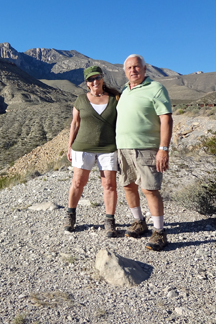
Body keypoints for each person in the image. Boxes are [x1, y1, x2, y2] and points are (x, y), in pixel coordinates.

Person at [116, 54, 173, 251]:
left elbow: (166, 119)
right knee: (128, 186)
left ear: (145, 69)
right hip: (123, 148)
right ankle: (139, 221)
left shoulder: (156, 89)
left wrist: (163, 149)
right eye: (129, 68)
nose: (133, 70)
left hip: (147, 148)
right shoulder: (124, 90)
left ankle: (159, 232)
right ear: (125, 71)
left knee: (149, 189)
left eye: (137, 67)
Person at [64, 66, 121, 237]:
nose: (95, 81)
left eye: (97, 77)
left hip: (108, 148)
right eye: (91, 79)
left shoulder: (114, 99)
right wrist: (69, 146)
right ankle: (70, 215)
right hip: (83, 148)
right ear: (87, 83)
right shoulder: (81, 99)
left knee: (109, 185)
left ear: (103, 78)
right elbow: (75, 124)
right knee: (78, 183)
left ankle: (110, 221)